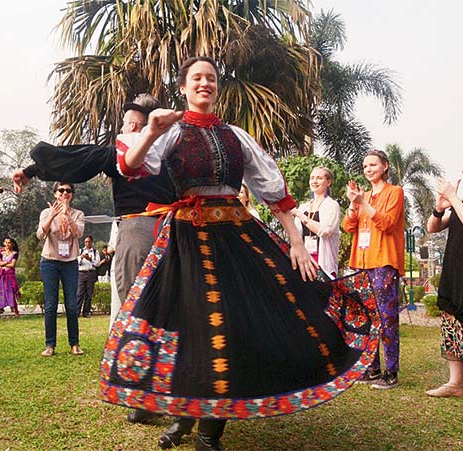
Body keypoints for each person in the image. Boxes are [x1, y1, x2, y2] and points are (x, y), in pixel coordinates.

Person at [103, 56, 380, 451]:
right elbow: (131, 166)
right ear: (183, 87)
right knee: (192, 324)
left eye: (211, 79)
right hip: (187, 237)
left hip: (235, 236)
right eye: (196, 78)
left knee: (230, 326)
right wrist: (150, 130)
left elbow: (273, 191)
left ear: (217, 87)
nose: (205, 84)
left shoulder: (235, 135)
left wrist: (297, 242)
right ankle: (185, 416)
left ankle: (208, 433)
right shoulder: (171, 130)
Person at [12, 93, 176, 425]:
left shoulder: (149, 148)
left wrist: (31, 171)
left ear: (142, 124)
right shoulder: (147, 147)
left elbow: (75, 157)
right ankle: (157, 394)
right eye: (129, 122)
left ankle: (155, 395)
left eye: (134, 122)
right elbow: (77, 156)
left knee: (146, 311)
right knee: (157, 311)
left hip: (156, 231)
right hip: (160, 229)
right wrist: (31, 170)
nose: (128, 126)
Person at [425, 154, 463, 406]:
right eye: (462, 164)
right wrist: (440, 207)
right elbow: (432, 227)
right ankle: (454, 383)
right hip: (456, 270)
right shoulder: (462, 201)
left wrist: (452, 198)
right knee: (452, 320)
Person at [342, 149, 405, 390]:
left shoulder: (394, 192)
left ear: (385, 166)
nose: (368, 169)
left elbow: (387, 223)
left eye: (373, 165)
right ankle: (372, 367)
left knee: (387, 318)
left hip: (384, 262)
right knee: (368, 317)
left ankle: (391, 371)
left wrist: (363, 203)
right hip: (362, 262)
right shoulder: (363, 195)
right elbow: (349, 226)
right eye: (365, 165)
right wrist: (352, 203)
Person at [37, 182, 85, 357]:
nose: (64, 193)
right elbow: (40, 235)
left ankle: (74, 344)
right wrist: (52, 215)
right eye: (61, 190)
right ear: (55, 193)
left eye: (68, 190)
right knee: (50, 305)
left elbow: (78, 233)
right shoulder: (45, 212)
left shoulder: (78, 214)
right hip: (49, 261)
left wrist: (67, 215)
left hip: (70, 262)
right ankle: (50, 345)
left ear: (72, 194)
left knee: (71, 305)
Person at [291, 167, 341, 277]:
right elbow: (295, 233)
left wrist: (300, 215)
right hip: (304, 261)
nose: (314, 181)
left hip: (323, 263)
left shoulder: (331, 205)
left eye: (319, 178)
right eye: (312, 178)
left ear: (328, 182)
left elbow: (324, 230)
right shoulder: (304, 206)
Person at [0, 237, 21, 318]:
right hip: (1, 276)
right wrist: (6, 262)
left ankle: (16, 312)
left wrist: (3, 264)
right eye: (6, 242)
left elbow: (12, 265)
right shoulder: (1, 252)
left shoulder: (15, 253)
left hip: (10, 276)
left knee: (11, 292)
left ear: (13, 244)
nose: (7, 244)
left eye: (9, 243)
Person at [77, 235, 100, 318]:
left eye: (89, 242)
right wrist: (82, 258)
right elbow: (76, 262)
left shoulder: (95, 252)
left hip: (91, 273)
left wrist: (90, 260)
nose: (87, 243)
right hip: (81, 273)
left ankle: (86, 312)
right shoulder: (80, 251)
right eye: (86, 242)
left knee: (89, 294)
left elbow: (97, 263)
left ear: (91, 242)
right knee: (79, 293)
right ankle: (77, 312)